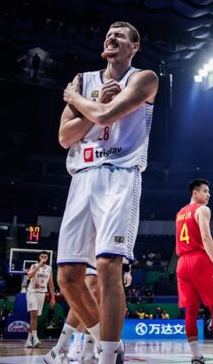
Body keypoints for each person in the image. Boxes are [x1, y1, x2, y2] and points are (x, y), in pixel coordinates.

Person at [55, 21, 158, 364]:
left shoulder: (144, 79)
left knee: (107, 266)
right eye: (108, 34)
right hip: (83, 176)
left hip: (120, 175)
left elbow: (108, 113)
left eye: (121, 35)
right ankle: (105, 344)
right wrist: (92, 101)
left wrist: (78, 101)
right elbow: (66, 138)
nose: (111, 37)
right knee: (68, 277)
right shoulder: (84, 80)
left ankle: (108, 354)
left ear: (134, 47)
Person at [175, 179, 213, 364]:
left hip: (182, 263)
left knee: (191, 311)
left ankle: (196, 357)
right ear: (195, 193)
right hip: (199, 260)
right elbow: (205, 236)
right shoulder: (203, 209)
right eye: (205, 191)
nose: (208, 195)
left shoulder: (179, 213)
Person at [26, 251, 56, 348]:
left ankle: (29, 340)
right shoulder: (34, 266)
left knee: (35, 318)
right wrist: (39, 265)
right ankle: (35, 338)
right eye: (42, 256)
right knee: (34, 315)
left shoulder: (49, 268)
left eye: (45, 257)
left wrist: (53, 298)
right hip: (32, 292)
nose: (43, 258)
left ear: (47, 258)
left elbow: (51, 284)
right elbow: (29, 276)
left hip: (42, 293)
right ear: (39, 257)